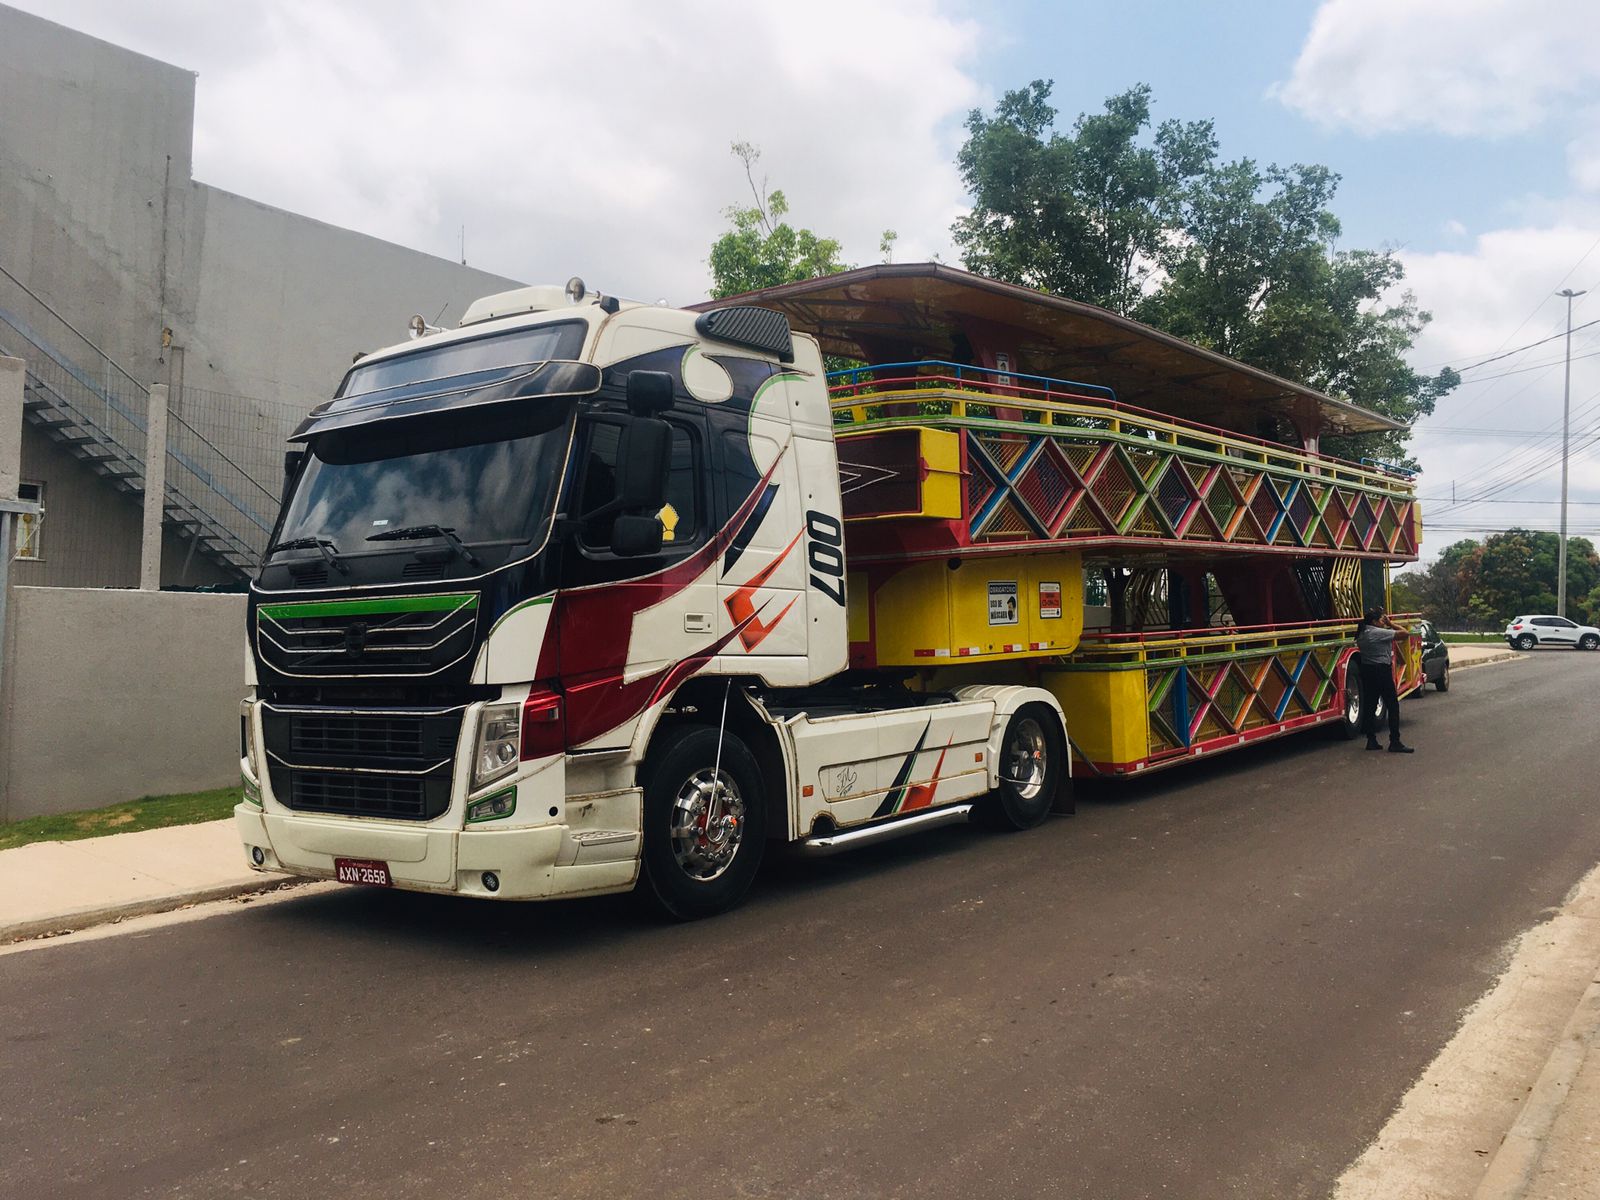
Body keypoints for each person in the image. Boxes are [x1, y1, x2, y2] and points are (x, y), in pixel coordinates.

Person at [1354, 606, 1413, 753]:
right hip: (1381, 670)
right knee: (1392, 705)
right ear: (1374, 622)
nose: (1384, 621)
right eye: (1382, 619)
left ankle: (1371, 740)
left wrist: (1385, 623)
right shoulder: (1377, 632)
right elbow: (1405, 633)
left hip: (1368, 671)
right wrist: (1391, 624)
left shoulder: (1362, 633)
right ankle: (1395, 741)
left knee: (1370, 706)